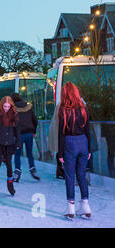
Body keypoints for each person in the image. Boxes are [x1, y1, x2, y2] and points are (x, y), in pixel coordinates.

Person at [58, 82, 92, 219]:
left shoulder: (63, 109)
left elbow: (61, 132)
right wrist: (88, 148)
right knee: (81, 175)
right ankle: (85, 206)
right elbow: (87, 129)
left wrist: (60, 153)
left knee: (70, 176)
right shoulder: (84, 108)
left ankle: (71, 208)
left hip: (69, 142)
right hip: (83, 141)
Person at [0, 96, 21, 196]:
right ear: (1, 105)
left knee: (9, 164)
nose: (6, 108)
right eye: (5, 106)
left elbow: (17, 130)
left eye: (8, 106)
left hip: (10, 142)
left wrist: (18, 142)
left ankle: (10, 185)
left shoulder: (14, 113)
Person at [10, 93, 40, 182]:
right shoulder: (28, 107)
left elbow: (11, 123)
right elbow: (35, 120)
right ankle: (33, 169)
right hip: (29, 133)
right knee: (29, 153)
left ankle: (17, 172)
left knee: (17, 154)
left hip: (18, 135)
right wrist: (34, 131)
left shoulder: (13, 110)